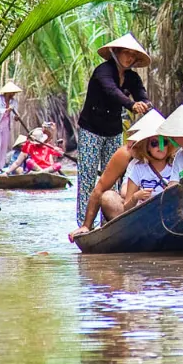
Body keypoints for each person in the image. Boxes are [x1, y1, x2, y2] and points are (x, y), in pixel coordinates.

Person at [75, 33, 153, 227]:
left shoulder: (132, 77)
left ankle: (109, 222)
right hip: (91, 130)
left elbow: (141, 93)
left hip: (114, 131)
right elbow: (112, 91)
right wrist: (131, 105)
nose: (129, 58)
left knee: (115, 178)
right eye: (126, 53)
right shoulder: (103, 71)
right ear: (116, 52)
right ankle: (85, 224)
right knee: (87, 177)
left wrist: (145, 103)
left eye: (133, 55)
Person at [69, 110, 172, 239]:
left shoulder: (174, 154)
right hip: (136, 211)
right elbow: (100, 188)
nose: (160, 147)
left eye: (164, 142)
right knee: (108, 197)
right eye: (154, 143)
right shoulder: (127, 154)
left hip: (168, 208)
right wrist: (86, 225)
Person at [0, 81, 26, 171]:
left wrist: (16, 117)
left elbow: (14, 114)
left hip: (6, 126)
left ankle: (1, 167)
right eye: (12, 92)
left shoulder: (13, 102)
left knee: (4, 146)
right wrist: (6, 110)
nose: (13, 94)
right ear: (7, 92)